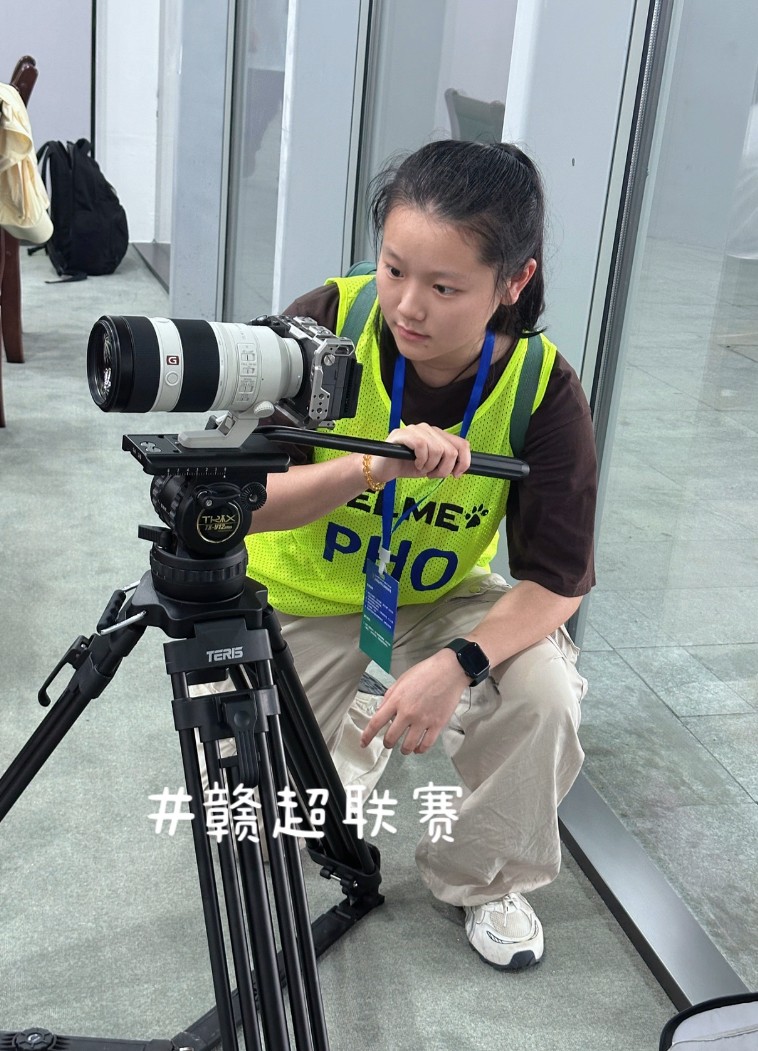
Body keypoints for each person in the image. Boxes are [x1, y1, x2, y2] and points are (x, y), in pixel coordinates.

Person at [245, 139, 597, 971]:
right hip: (302, 596)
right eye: (395, 268)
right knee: (269, 827)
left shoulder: (542, 388)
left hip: (438, 597)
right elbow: (246, 501)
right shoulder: (324, 325)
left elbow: (557, 581)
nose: (408, 306)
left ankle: (482, 876)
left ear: (513, 282)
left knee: (542, 691)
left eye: (445, 287)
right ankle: (352, 745)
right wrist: (371, 466)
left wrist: (458, 663)